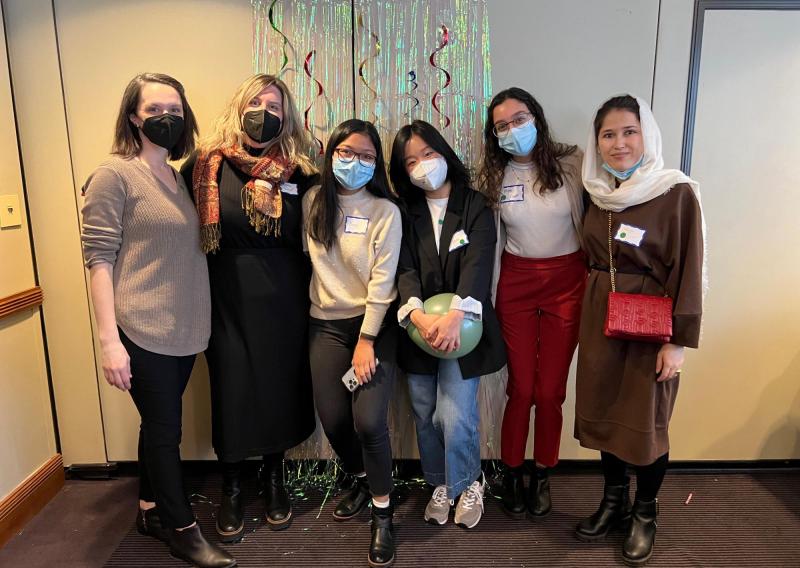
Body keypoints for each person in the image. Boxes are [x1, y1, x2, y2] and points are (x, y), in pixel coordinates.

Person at [81, 73, 235, 568]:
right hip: (141, 328)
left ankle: (148, 507)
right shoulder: (114, 174)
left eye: (174, 107)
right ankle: (182, 530)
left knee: (156, 424)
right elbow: (98, 259)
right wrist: (109, 342)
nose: (166, 117)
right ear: (133, 117)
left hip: (186, 327)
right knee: (166, 430)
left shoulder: (179, 175)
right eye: (153, 109)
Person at [180, 74, 317, 542]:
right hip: (226, 294)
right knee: (233, 388)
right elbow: (169, 213)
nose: (264, 111)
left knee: (279, 386)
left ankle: (275, 478)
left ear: (287, 113)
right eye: (256, 101)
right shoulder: (206, 166)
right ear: (239, 108)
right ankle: (233, 485)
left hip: (286, 296)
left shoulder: (301, 167)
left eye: (274, 103)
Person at [574, 95, 705, 566]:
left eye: (629, 131)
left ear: (646, 134)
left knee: (646, 425)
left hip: (653, 325)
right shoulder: (595, 192)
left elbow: (689, 269)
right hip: (600, 320)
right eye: (608, 135)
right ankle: (614, 502)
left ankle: (645, 513)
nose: (619, 143)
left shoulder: (675, 192)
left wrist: (678, 342)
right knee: (608, 416)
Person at [389, 120, 506, 529]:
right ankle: (441, 484)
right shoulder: (405, 211)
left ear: (444, 153)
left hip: (465, 328)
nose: (423, 165)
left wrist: (457, 315)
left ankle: (469, 482)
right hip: (418, 327)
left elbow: (479, 263)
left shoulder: (475, 205)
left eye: (429, 154)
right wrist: (418, 316)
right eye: (411, 161)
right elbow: (403, 268)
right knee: (423, 411)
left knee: (454, 415)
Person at [478, 87, 587, 518]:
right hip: (517, 282)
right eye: (502, 126)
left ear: (537, 118)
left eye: (519, 119)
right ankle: (512, 471)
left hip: (568, 281)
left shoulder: (574, 163)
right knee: (521, 387)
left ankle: (543, 474)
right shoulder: (492, 177)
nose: (512, 130)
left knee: (550, 391)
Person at [303, 119, 401, 567]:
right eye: (347, 153)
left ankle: (384, 513)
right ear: (331, 155)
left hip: (373, 325)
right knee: (333, 419)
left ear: (376, 163)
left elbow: (383, 284)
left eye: (366, 156)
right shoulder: (312, 202)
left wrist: (367, 339)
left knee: (368, 421)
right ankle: (361, 478)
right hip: (325, 324)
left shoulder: (386, 211)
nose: (356, 163)